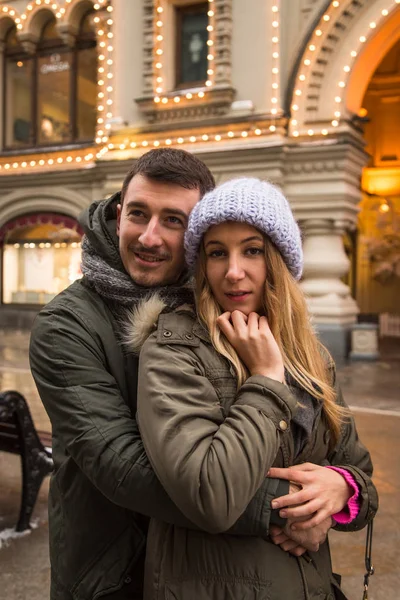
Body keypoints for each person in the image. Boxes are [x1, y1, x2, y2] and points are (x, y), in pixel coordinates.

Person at [29, 150, 320, 600]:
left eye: (173, 220)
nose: (149, 236)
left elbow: (323, 442)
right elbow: (121, 465)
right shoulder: (67, 324)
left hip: (209, 571)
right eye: (139, 213)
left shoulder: (222, 308)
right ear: (119, 210)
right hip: (112, 572)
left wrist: (344, 490)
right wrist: (292, 509)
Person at [133, 177, 378, 599]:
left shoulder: (312, 356)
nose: (233, 271)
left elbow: (362, 479)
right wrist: (266, 378)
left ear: (278, 261)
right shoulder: (174, 349)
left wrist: (341, 489)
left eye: (252, 250)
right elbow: (209, 493)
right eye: (216, 253)